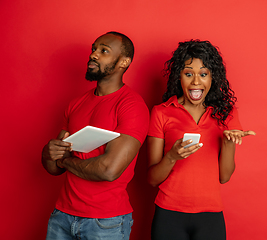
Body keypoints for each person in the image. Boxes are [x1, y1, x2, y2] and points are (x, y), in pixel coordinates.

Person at [42, 31, 149, 240]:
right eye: (94, 49)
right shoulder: (75, 104)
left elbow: (109, 170)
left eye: (104, 51)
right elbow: (53, 167)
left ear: (124, 62)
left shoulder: (132, 106)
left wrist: (65, 161)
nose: (94, 55)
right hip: (62, 216)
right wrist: (48, 153)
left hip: (105, 223)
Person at [147, 40, 255, 240]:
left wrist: (229, 142)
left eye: (203, 74)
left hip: (210, 216)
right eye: (188, 74)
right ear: (179, 76)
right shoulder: (161, 112)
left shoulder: (225, 114)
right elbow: (152, 179)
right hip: (168, 214)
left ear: (213, 77)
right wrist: (171, 156)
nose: (196, 82)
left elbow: (224, 177)